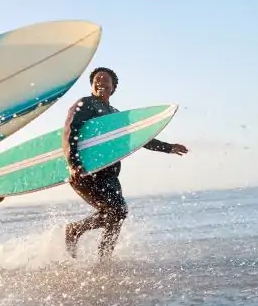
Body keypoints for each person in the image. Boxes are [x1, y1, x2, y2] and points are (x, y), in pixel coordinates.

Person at [63, 67, 188, 260]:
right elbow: (70, 132)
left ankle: (103, 259)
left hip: (110, 175)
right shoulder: (85, 104)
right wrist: (73, 163)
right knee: (117, 210)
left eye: (106, 81)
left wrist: (168, 147)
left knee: (117, 216)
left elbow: (139, 138)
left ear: (113, 88)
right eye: (97, 80)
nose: (101, 83)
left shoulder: (115, 114)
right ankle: (75, 230)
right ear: (91, 85)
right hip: (86, 172)